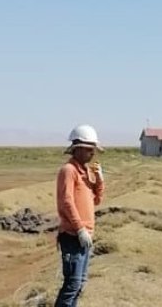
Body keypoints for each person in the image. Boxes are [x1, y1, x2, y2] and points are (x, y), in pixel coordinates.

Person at [55, 124, 106, 307]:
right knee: (72, 284)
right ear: (78, 149)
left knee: (79, 284)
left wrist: (99, 180)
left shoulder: (83, 171)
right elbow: (66, 201)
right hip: (73, 236)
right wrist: (79, 228)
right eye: (89, 150)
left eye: (93, 150)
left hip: (85, 237)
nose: (93, 154)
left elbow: (96, 200)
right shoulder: (69, 170)